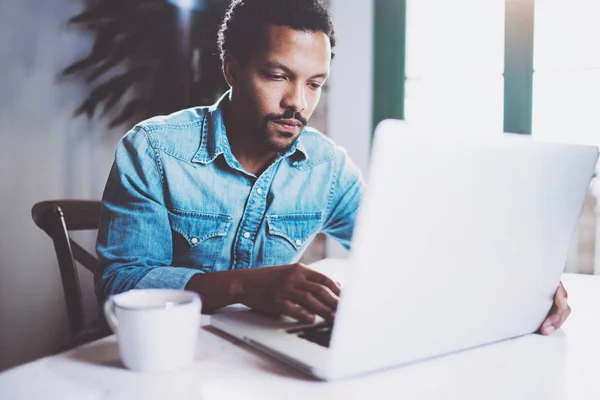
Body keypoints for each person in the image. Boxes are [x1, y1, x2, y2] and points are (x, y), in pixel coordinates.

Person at [95, 0, 569, 335]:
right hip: (162, 365)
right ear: (232, 69)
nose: (297, 103)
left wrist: (519, 282)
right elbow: (119, 285)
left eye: (315, 83)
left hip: (259, 360)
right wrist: (245, 285)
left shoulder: (327, 168)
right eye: (278, 75)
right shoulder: (154, 151)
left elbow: (406, 247)